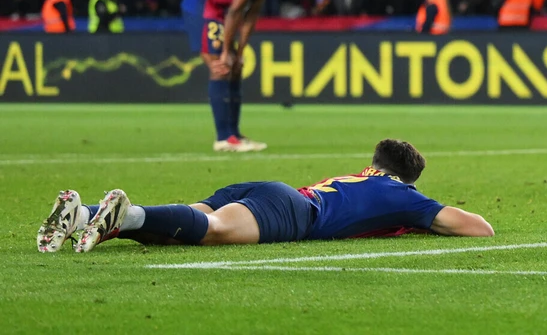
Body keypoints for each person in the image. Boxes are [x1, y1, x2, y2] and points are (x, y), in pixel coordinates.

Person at [37, 139, 493, 253]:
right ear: (406, 180)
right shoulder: (404, 196)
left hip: (269, 190)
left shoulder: (360, 177)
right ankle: (127, 214)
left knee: (184, 225)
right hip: (295, 212)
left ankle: (84, 214)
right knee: (212, 231)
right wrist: (420, 216)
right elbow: (480, 229)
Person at [181, 0, 298, 153]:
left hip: (220, 10)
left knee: (235, 67)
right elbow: (235, 10)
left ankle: (234, 135)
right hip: (203, 4)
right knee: (221, 67)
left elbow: (251, 15)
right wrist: (227, 50)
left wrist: (240, 51)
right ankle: (224, 138)